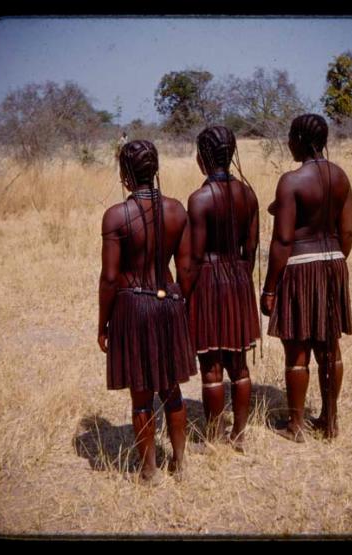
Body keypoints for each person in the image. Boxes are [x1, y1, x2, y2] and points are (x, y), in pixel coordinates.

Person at [98, 139, 197, 482]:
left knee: (141, 395)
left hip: (132, 304)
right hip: (169, 300)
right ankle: (181, 464)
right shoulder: (177, 211)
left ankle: (150, 471)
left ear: (125, 174)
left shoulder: (115, 216)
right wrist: (180, 308)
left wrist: (103, 323)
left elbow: (110, 278)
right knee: (172, 389)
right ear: (155, 170)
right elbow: (185, 271)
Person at [261, 114, 352, 442]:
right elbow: (347, 231)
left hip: (300, 265)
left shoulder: (291, 181)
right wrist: (332, 264)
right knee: (330, 346)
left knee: (297, 349)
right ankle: (330, 420)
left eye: (290, 136)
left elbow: (283, 240)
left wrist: (270, 287)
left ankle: (296, 425)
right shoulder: (340, 177)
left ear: (300, 139)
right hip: (333, 263)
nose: (288, 142)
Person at [188, 125, 260, 452]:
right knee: (239, 364)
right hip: (239, 279)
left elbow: (195, 255)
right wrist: (240, 280)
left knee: (212, 367)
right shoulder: (249, 194)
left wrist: (184, 292)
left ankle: (215, 437)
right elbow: (252, 248)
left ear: (203, 159)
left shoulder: (200, 199)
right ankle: (239, 435)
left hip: (209, 281)